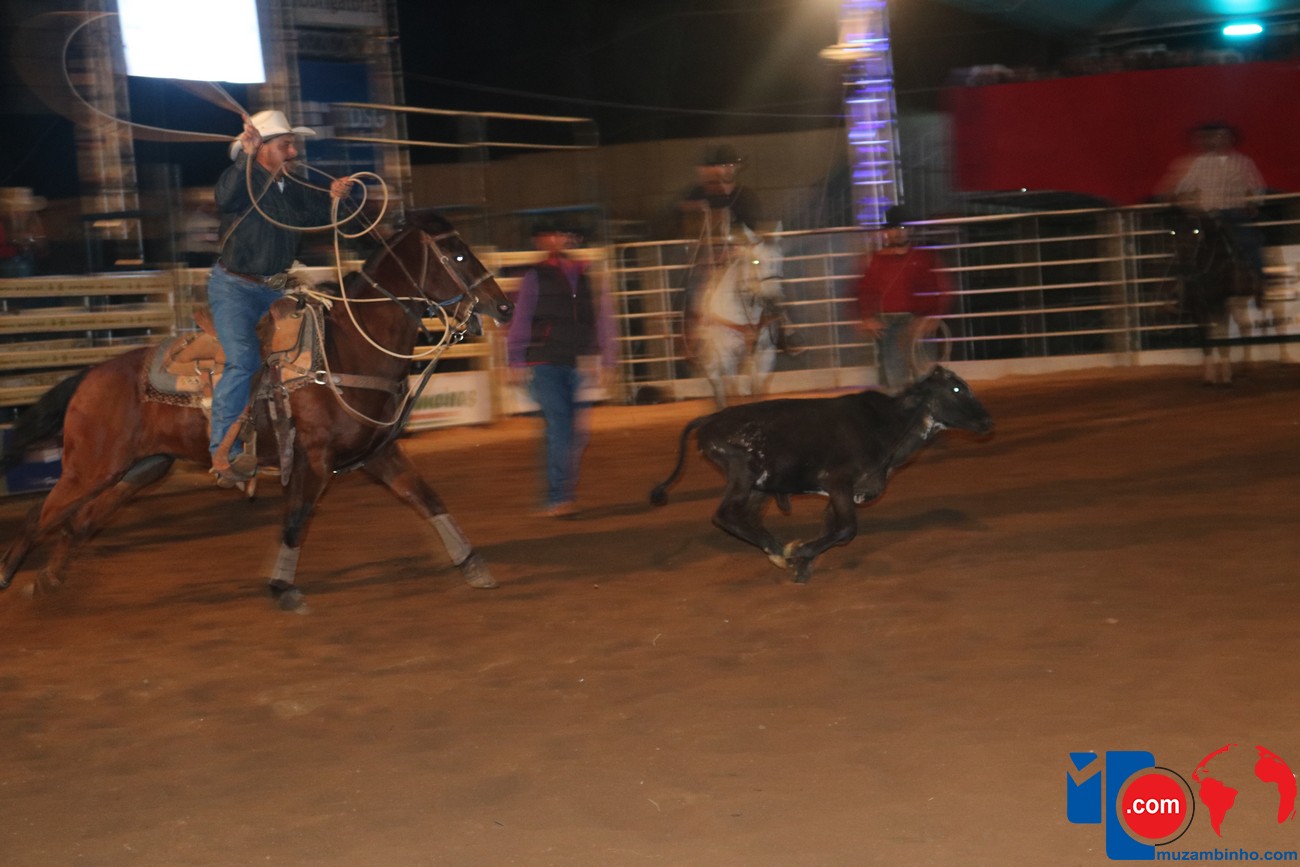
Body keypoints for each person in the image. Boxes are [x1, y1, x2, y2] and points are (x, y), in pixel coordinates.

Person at [208, 109, 355, 486]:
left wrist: (337, 199)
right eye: (286, 145)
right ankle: (224, 453)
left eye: (292, 145)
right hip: (235, 289)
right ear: (263, 147)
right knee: (242, 359)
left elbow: (327, 217)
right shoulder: (245, 180)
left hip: (275, 288)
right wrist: (245, 158)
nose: (293, 152)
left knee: (318, 344)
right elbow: (224, 197)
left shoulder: (293, 186)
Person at [506, 221, 618, 518]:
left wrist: (607, 358)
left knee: (572, 433)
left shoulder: (584, 274)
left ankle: (560, 493)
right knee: (562, 428)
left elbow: (602, 317)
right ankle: (559, 496)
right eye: (554, 235)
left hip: (574, 360)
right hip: (545, 360)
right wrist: (515, 358)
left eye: (564, 235)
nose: (560, 240)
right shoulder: (536, 276)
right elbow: (522, 316)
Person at [677, 144, 797, 356]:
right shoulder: (700, 194)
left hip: (744, 255)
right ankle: (690, 338)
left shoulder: (745, 196)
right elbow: (684, 218)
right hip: (711, 257)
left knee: (771, 282)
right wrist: (693, 211)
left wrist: (741, 247)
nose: (728, 169)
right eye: (723, 165)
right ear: (714, 169)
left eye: (731, 165)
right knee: (692, 287)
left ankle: (784, 330)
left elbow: (755, 229)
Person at [854, 204, 953, 393]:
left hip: (916, 321)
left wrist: (932, 316)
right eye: (894, 228)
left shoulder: (922, 257)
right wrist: (867, 316)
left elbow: (942, 288)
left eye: (902, 227)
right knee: (899, 380)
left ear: (911, 230)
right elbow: (864, 290)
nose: (898, 232)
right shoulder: (879, 259)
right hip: (893, 323)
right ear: (886, 232)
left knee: (919, 377)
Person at [1162, 121, 1266, 280]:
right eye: (1215, 136)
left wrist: (1252, 203)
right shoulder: (1200, 163)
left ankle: (1259, 276)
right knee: (1187, 245)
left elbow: (1256, 187)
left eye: (1222, 136)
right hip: (1206, 214)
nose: (1218, 140)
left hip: (1233, 213)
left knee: (1249, 242)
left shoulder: (1242, 162)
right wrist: (1180, 200)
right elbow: (1183, 186)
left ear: (1231, 139)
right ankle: (1181, 278)